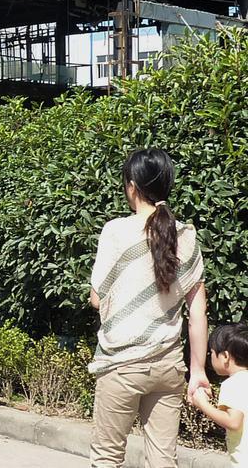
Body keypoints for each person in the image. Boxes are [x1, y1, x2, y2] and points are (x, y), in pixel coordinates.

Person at [88, 148, 208, 468]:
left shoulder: (116, 231)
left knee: (107, 457)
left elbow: (97, 297)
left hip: (122, 364)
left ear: (131, 186)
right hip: (169, 367)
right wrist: (198, 372)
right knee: (162, 460)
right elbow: (198, 312)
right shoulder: (186, 236)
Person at [191, 323, 248, 465]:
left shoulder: (233, 384)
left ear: (225, 357)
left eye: (211, 353)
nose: (210, 358)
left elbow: (234, 422)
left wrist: (203, 404)